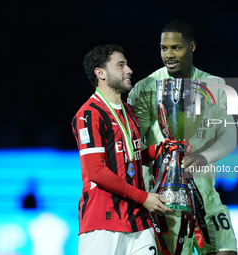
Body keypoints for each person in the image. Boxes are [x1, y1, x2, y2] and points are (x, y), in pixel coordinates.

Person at [128, 21, 238, 255]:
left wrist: (204, 157)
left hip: (206, 194)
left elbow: (229, 136)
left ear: (192, 47)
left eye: (176, 48)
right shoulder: (145, 88)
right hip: (165, 200)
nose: (168, 55)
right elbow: (134, 145)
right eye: (163, 48)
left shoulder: (216, 85)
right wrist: (163, 156)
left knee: (227, 250)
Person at [71, 44, 172, 255]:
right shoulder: (89, 114)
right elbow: (96, 171)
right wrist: (144, 197)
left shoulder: (128, 112)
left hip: (139, 222)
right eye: (121, 65)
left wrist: (161, 149)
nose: (129, 70)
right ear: (100, 73)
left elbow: (129, 157)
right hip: (102, 224)